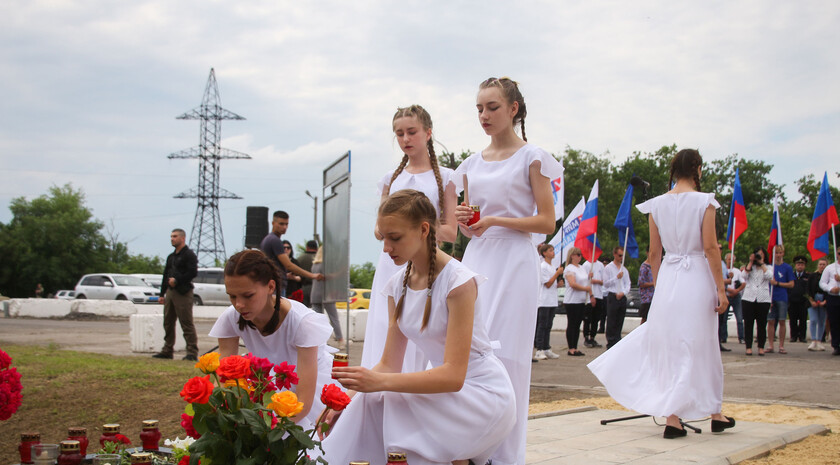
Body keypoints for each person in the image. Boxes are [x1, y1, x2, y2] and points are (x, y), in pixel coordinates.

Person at [320, 189, 515, 465]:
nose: (386, 248)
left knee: (390, 403)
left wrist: (377, 383)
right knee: (366, 403)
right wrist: (347, 397)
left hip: (479, 395)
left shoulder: (459, 282)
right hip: (441, 391)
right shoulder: (396, 285)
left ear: (424, 230)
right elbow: (388, 365)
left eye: (395, 238)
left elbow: (454, 376)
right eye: (384, 237)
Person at [452, 77, 563, 465]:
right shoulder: (470, 164)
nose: (484, 115)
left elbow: (547, 221)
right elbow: (468, 224)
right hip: (477, 259)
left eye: (492, 107)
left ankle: (504, 455)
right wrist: (465, 219)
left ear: (513, 108)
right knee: (469, 351)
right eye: (479, 108)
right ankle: (470, 447)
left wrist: (496, 219)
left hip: (516, 262)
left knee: (510, 356)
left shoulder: (533, 158)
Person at [588, 148, 734, 439]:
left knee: (671, 346)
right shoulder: (705, 202)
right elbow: (710, 248)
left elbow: (654, 253)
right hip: (696, 276)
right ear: (697, 168)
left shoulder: (656, 205)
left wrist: (660, 286)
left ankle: (673, 417)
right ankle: (714, 413)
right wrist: (721, 288)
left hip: (669, 277)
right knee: (701, 343)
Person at [360, 104, 457, 373]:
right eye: (399, 134)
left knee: (420, 329)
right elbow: (378, 229)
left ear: (428, 133)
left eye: (411, 132)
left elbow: (450, 232)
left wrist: (412, 225)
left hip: (425, 268)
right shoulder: (390, 180)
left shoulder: (448, 178)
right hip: (390, 265)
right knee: (385, 327)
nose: (405, 139)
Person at [209, 249, 334, 429]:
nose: (239, 304)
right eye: (232, 296)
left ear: (270, 287)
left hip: (309, 387)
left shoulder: (302, 322)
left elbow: (303, 402)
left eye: (248, 295)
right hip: (267, 385)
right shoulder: (231, 317)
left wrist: (267, 432)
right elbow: (223, 377)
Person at [153, 228, 199, 361]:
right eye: (171, 236)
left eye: (175, 236)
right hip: (171, 292)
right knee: (168, 321)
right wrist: (162, 293)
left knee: (186, 322)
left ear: (182, 238)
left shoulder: (189, 255)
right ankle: (167, 350)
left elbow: (192, 272)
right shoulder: (171, 257)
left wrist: (178, 280)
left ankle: (191, 351)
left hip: (183, 292)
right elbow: (165, 275)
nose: (172, 239)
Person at [260, 211, 323, 297]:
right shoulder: (275, 240)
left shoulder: (268, 239)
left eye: (286, 224)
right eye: (281, 224)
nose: (284, 227)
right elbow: (289, 265)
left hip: (272, 283)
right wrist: (312, 275)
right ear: (273, 223)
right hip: (276, 285)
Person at [310, 246, 344, 347]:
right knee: (334, 318)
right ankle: (340, 340)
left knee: (318, 319)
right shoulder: (326, 263)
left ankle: (320, 341)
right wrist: (341, 272)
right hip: (326, 294)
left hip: (315, 293)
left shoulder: (315, 264)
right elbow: (330, 277)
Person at [741, 247, 773, 356]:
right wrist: (751, 262)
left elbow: (769, 276)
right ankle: (748, 347)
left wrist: (762, 263)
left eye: (761, 254)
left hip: (763, 298)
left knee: (761, 324)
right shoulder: (750, 267)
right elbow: (743, 276)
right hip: (749, 297)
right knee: (748, 323)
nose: (759, 256)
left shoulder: (768, 267)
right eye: (757, 255)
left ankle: (761, 347)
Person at [534, 244, 563, 360]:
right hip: (544, 300)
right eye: (550, 250)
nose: (553, 252)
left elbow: (553, 284)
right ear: (544, 253)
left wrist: (559, 283)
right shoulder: (543, 266)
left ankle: (546, 347)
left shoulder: (552, 266)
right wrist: (557, 273)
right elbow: (547, 283)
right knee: (542, 325)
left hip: (552, 300)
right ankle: (539, 349)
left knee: (549, 325)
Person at [603, 246, 631, 349]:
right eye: (619, 255)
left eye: (622, 256)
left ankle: (617, 340)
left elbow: (628, 284)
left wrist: (623, 292)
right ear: (614, 254)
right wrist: (616, 278)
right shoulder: (608, 268)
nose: (621, 258)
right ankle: (610, 342)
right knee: (611, 320)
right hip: (612, 295)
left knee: (620, 319)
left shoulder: (624, 269)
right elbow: (605, 284)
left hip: (621, 296)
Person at [563, 247, 589, 356]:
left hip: (581, 300)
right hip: (572, 300)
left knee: (578, 323)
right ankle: (571, 347)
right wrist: (585, 289)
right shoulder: (569, 268)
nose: (580, 257)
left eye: (580, 255)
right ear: (572, 256)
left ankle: (575, 346)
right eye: (578, 255)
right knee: (572, 323)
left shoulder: (582, 268)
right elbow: (572, 284)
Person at [767, 245, 794, 354]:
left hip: (782, 297)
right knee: (771, 321)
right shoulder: (770, 267)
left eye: (780, 253)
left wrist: (777, 283)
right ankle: (770, 345)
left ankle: (781, 346)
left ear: (783, 253)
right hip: (770, 297)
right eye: (776, 253)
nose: (778, 255)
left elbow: (791, 284)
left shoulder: (787, 268)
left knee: (782, 320)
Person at [819, 246, 840, 356]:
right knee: (834, 321)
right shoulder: (830, 268)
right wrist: (830, 289)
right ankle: (836, 345)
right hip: (833, 297)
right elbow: (822, 283)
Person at [582, 255, 605, 348]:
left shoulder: (600, 265)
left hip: (599, 294)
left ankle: (593, 337)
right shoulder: (586, 265)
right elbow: (583, 280)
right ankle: (586, 337)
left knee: (596, 318)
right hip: (589, 296)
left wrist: (597, 281)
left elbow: (604, 280)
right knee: (588, 318)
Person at [807, 257, 828, 351]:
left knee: (821, 321)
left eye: (824, 264)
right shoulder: (812, 276)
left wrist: (825, 301)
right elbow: (807, 289)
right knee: (813, 319)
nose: (822, 266)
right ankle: (813, 340)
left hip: (824, 300)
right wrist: (811, 300)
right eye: (820, 264)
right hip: (813, 299)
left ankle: (819, 340)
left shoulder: (828, 277)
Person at [788, 255, 810, 343]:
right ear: (795, 265)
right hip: (792, 301)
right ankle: (793, 336)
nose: (800, 266)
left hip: (803, 301)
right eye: (798, 264)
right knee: (792, 320)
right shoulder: (791, 275)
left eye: (802, 264)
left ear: (804, 266)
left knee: (803, 320)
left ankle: (802, 336)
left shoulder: (807, 276)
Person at [724, 252, 746, 344]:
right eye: (729, 259)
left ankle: (741, 337)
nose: (731, 261)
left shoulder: (737, 271)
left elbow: (743, 283)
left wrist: (737, 290)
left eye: (732, 259)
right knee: (724, 319)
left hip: (736, 296)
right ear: (726, 260)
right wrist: (729, 290)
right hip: (726, 295)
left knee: (739, 318)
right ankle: (723, 337)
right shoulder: (723, 269)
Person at [298, 240, 318, 307]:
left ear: (307, 247)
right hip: (318, 288)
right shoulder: (319, 259)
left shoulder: (300, 259)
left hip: (303, 288)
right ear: (316, 248)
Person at [637, 255, 654, 324]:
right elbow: (641, 283)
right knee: (645, 318)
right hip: (647, 298)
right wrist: (653, 283)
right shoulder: (644, 267)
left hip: (654, 297)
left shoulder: (656, 266)